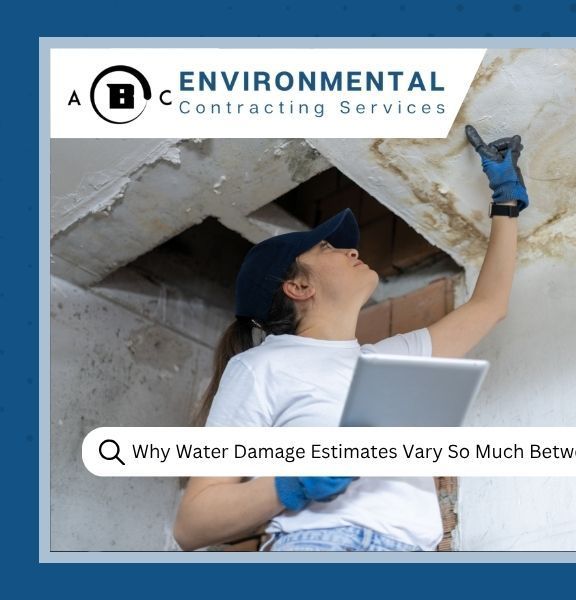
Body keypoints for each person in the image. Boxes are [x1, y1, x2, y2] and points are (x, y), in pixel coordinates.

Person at [173, 126, 529, 552]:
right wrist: (295, 480)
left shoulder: (390, 360)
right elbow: (193, 525)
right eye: (327, 248)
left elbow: (489, 305)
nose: (353, 251)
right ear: (299, 288)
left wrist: (505, 201)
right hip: (324, 546)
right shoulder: (259, 366)